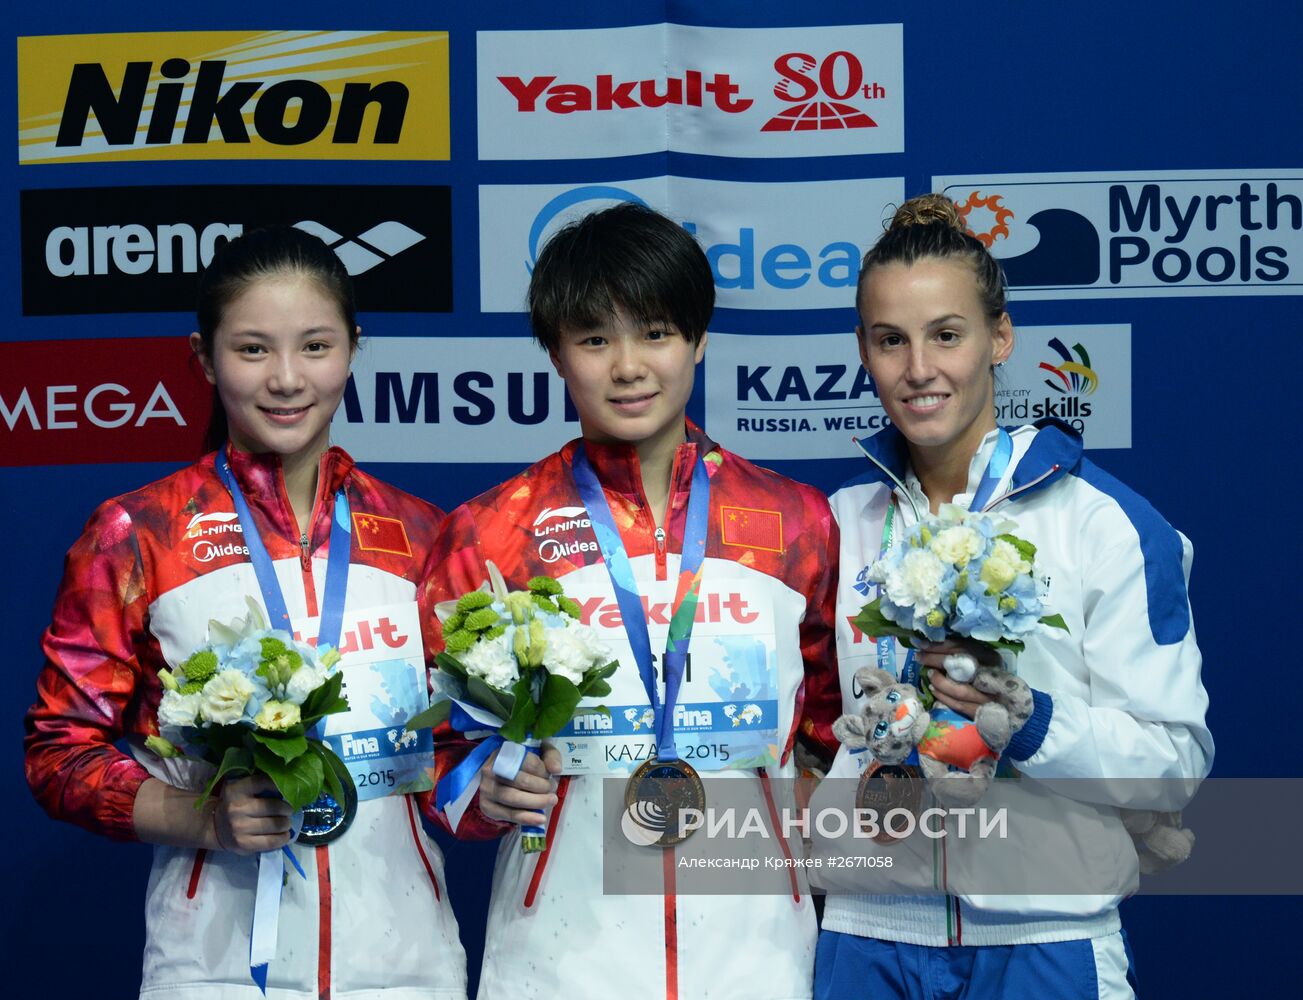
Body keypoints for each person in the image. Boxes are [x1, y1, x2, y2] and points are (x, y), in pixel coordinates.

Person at [25, 226, 467, 1000]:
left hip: (408, 969)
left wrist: (492, 786)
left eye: (316, 346)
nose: (288, 379)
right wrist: (197, 819)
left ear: (354, 349)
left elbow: (446, 764)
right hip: (217, 970)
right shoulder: (137, 535)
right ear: (203, 358)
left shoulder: (422, 537)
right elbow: (58, 754)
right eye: (254, 349)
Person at [423, 203, 841, 999]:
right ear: (555, 352)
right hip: (559, 962)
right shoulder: (490, 532)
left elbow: (826, 734)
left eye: (654, 332)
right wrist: (485, 793)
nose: (627, 366)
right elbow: (437, 765)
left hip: (758, 962)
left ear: (699, 338)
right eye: (593, 338)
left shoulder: (796, 522)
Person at [813, 194, 1213, 999]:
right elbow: (802, 731)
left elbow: (1175, 764)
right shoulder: (836, 523)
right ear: (862, 349)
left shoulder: (1106, 524)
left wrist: (1031, 722)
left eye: (946, 335)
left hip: (1045, 941)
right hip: (866, 934)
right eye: (890, 341)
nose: (918, 369)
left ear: (999, 337)